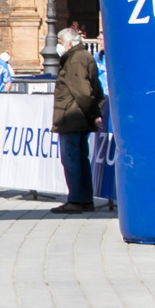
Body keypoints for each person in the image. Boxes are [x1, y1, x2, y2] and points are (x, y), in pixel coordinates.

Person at [51, 27, 105, 215]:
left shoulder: (76, 59)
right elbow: (95, 87)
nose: (58, 45)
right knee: (80, 159)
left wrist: (91, 111)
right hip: (77, 115)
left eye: (60, 41)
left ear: (69, 43)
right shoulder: (84, 57)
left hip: (72, 116)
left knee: (71, 159)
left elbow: (83, 91)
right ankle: (83, 199)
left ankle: (76, 199)